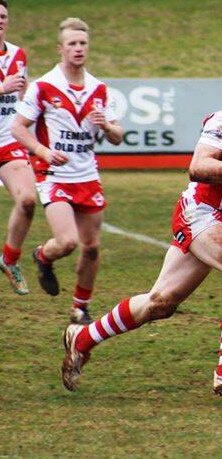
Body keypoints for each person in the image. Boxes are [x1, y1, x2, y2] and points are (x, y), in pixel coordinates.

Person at [60, 57, 222, 396]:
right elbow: (197, 167)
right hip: (200, 213)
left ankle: (82, 337)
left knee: (160, 303)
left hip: (220, 221)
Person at [11, 18, 123, 324]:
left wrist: (107, 125)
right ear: (60, 48)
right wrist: (44, 152)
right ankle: (44, 256)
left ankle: (80, 309)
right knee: (68, 242)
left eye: (82, 43)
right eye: (72, 43)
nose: (78, 48)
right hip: (53, 175)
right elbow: (18, 128)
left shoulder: (100, 89)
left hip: (88, 176)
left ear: (88, 47)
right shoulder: (44, 87)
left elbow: (117, 136)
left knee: (92, 247)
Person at [0, 0, 34, 295]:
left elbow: (22, 95)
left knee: (27, 200)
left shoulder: (18, 55)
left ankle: (9, 259)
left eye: (3, 16)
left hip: (7, 141)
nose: (0, 20)